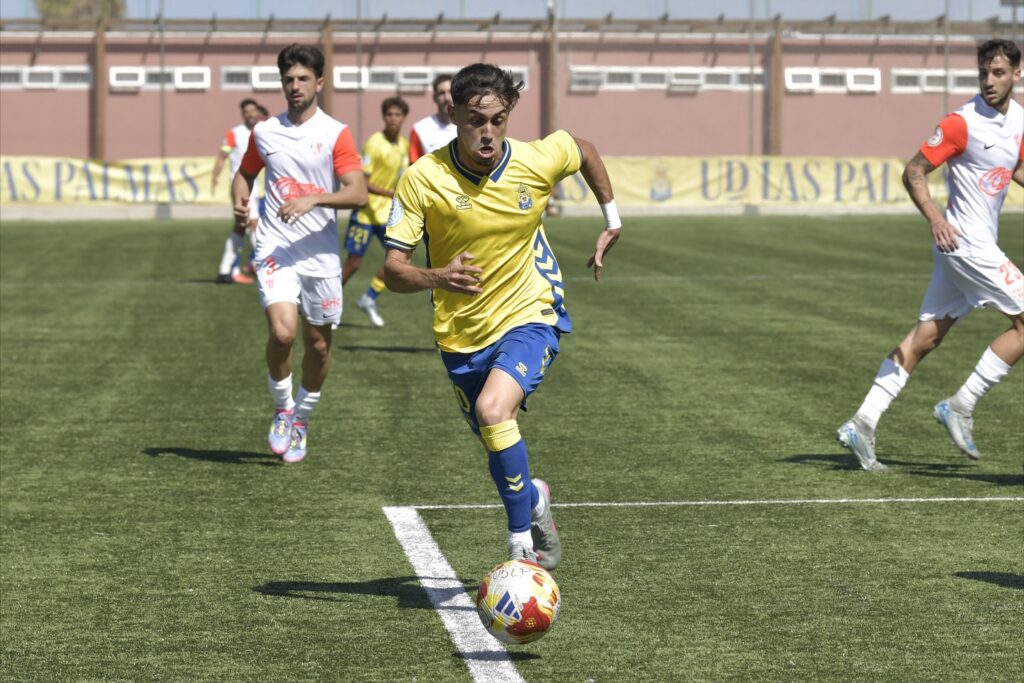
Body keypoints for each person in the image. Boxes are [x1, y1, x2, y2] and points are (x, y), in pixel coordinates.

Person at [382, 63, 622, 568]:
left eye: (497, 119)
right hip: (461, 335)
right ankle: (534, 499)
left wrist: (611, 219)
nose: (487, 132)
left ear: (509, 113)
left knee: (494, 411)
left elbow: (583, 150)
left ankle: (519, 546)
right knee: (497, 437)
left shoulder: (534, 159)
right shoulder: (423, 178)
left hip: (531, 313)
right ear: (453, 114)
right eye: (475, 120)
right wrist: (438, 276)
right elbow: (393, 271)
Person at [837, 38, 1024, 472]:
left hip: (967, 247)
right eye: (983, 73)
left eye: (998, 73)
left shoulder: (1018, 119)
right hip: (965, 242)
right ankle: (961, 404)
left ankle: (862, 422)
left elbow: (1016, 168)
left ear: (1018, 74)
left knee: (926, 337)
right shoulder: (961, 122)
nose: (989, 80)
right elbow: (914, 171)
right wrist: (935, 218)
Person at [232, 43, 368, 463]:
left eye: (303, 79)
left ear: (319, 83)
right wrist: (240, 202)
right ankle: (283, 409)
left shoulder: (335, 133)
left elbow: (358, 193)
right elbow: (244, 174)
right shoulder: (265, 132)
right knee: (282, 334)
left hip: (320, 256)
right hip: (275, 248)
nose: (295, 86)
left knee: (319, 346)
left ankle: (302, 419)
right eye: (288, 79)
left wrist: (315, 199)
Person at [342, 96, 411, 327]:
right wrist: (390, 193)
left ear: (403, 118)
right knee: (353, 263)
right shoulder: (374, 142)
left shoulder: (403, 145)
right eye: (389, 114)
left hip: (387, 215)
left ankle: (369, 298)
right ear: (383, 117)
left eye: (397, 115)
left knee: (400, 259)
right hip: (366, 213)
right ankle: (329, 306)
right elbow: (364, 181)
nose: (393, 119)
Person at [212, 98, 265, 284]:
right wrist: (215, 176)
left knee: (240, 228)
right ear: (243, 114)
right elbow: (222, 156)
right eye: (247, 111)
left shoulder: (262, 131)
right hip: (241, 187)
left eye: (253, 111)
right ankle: (265, 265)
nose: (250, 114)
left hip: (255, 187)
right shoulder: (234, 133)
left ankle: (226, 270)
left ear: (257, 112)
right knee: (254, 225)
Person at [408, 74, 457, 164]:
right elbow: (413, 165)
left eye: (450, 92)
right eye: (441, 93)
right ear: (434, 97)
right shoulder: (419, 129)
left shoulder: (466, 127)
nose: (446, 98)